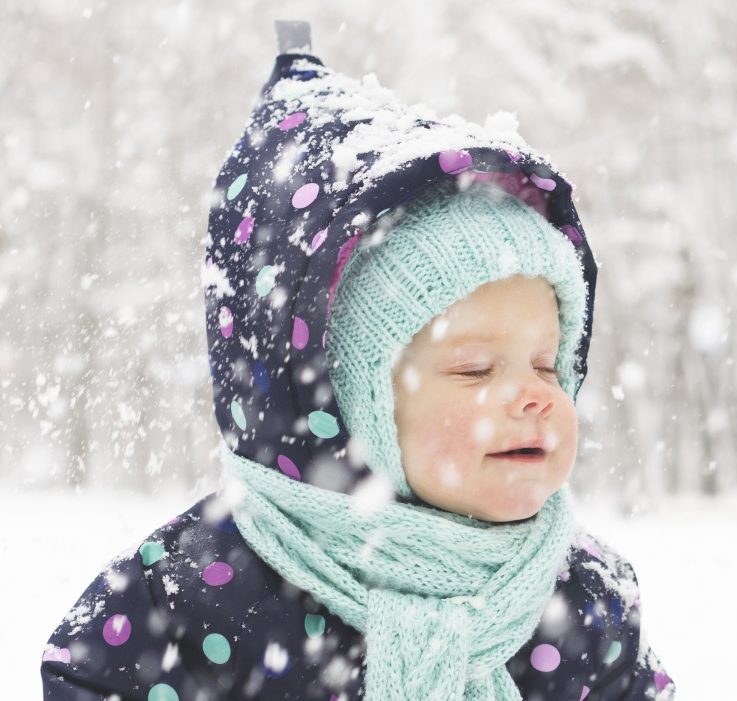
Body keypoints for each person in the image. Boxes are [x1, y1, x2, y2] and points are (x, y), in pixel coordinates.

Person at [40, 35, 675, 701]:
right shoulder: (205, 590)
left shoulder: (584, 597)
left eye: (548, 366)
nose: (534, 396)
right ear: (350, 407)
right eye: (475, 369)